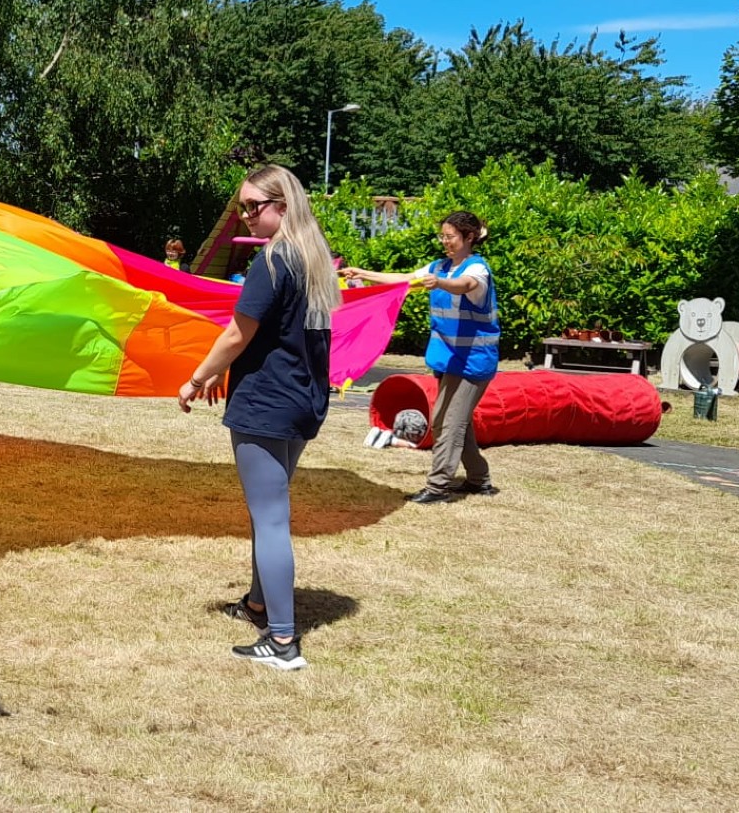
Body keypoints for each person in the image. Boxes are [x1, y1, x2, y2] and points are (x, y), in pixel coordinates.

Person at [178, 165, 339, 672]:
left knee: (270, 519)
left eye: (255, 206)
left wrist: (198, 378)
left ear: (282, 206)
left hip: (268, 404)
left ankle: (283, 641)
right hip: (301, 400)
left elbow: (236, 333)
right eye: (243, 207)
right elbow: (283, 337)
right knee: (266, 511)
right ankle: (257, 604)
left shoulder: (272, 260)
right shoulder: (313, 258)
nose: (246, 215)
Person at [343, 210, 500, 504]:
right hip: (450, 359)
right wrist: (363, 274)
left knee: (450, 424)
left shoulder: (477, 269)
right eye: (442, 236)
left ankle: (438, 487)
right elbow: (404, 279)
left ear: (469, 237)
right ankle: (480, 480)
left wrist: (439, 282)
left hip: (475, 361)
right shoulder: (439, 266)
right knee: (449, 421)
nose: (445, 242)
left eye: (450, 237)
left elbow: (465, 285)